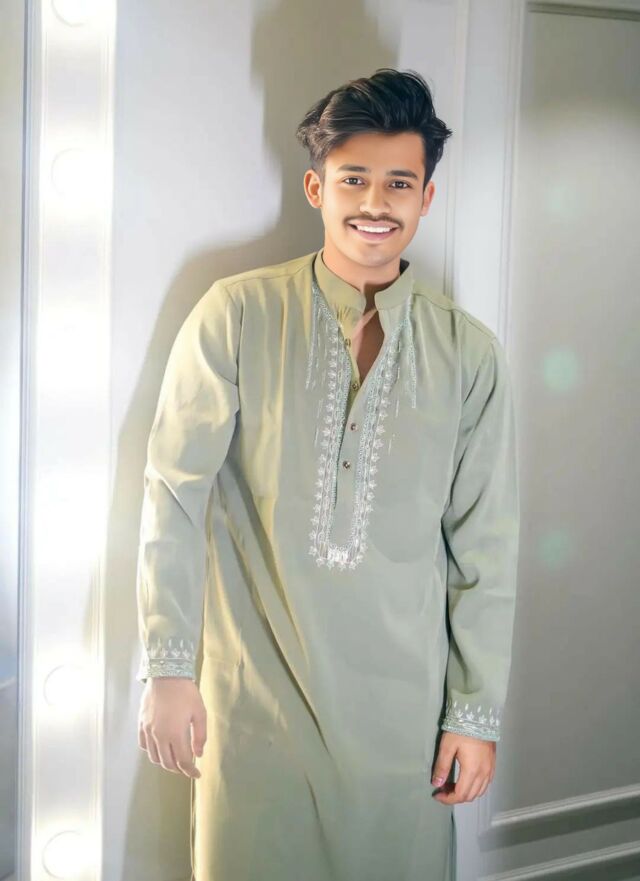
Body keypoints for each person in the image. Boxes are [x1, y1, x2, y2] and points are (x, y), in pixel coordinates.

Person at [135, 67, 520, 881]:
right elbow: (173, 497)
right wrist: (168, 667)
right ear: (317, 187)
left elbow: (485, 550)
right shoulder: (237, 314)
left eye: (399, 182)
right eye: (354, 179)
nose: (375, 202)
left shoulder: (469, 354)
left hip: (404, 727)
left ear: (426, 198)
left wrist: (473, 713)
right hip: (254, 713)